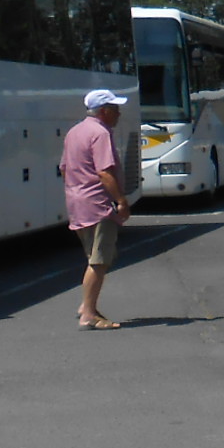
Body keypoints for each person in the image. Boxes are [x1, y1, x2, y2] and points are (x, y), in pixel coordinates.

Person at [63, 88, 132, 329]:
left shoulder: (74, 132)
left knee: (94, 256)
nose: (119, 114)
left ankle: (86, 306)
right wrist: (121, 201)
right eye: (115, 109)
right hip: (96, 204)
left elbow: (64, 168)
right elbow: (104, 171)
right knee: (99, 260)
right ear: (103, 111)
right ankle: (88, 314)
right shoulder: (100, 133)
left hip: (77, 202)